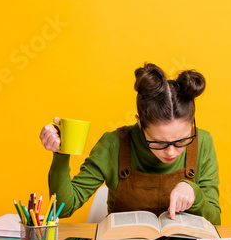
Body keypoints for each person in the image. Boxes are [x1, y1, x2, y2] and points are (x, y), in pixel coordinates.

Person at [39, 63, 221, 224]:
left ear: (192, 123)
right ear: (140, 123)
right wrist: (60, 155)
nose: (171, 152)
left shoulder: (203, 142)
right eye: (159, 142)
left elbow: (216, 222)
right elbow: (61, 210)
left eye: (182, 140)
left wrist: (193, 191)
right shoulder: (114, 144)